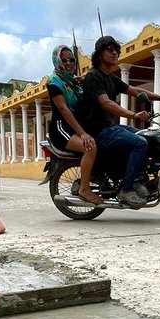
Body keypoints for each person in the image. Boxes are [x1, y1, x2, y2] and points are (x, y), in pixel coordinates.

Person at [77, 36, 160, 207]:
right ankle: (126, 189)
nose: (115, 53)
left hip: (110, 127)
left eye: (117, 50)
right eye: (110, 50)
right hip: (99, 131)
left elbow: (134, 91)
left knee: (149, 137)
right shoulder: (94, 76)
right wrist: (134, 115)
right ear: (99, 54)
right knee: (140, 143)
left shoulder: (110, 78)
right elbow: (106, 103)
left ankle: (136, 178)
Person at [46, 45, 102, 205]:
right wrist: (83, 134)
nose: (69, 63)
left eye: (71, 59)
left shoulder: (72, 81)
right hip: (62, 130)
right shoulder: (54, 82)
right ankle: (84, 189)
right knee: (90, 147)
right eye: (64, 60)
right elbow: (64, 110)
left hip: (76, 128)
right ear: (57, 61)